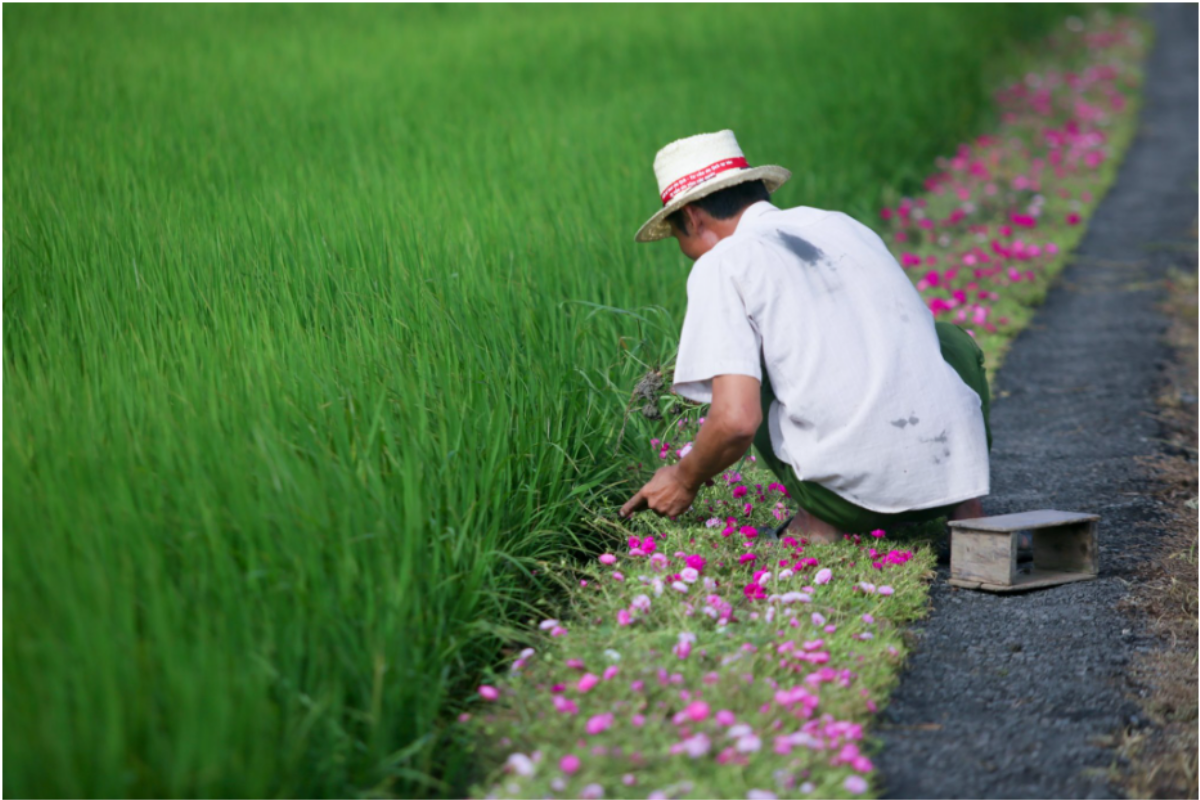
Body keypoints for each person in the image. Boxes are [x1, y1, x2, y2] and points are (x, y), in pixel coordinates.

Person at [618, 130, 991, 543]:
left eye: (677, 237)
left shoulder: (722, 262)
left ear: (691, 217)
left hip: (848, 504)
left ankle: (815, 525)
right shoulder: (840, 225)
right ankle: (964, 510)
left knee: (749, 366)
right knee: (947, 340)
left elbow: (735, 421)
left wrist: (684, 479)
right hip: (953, 477)